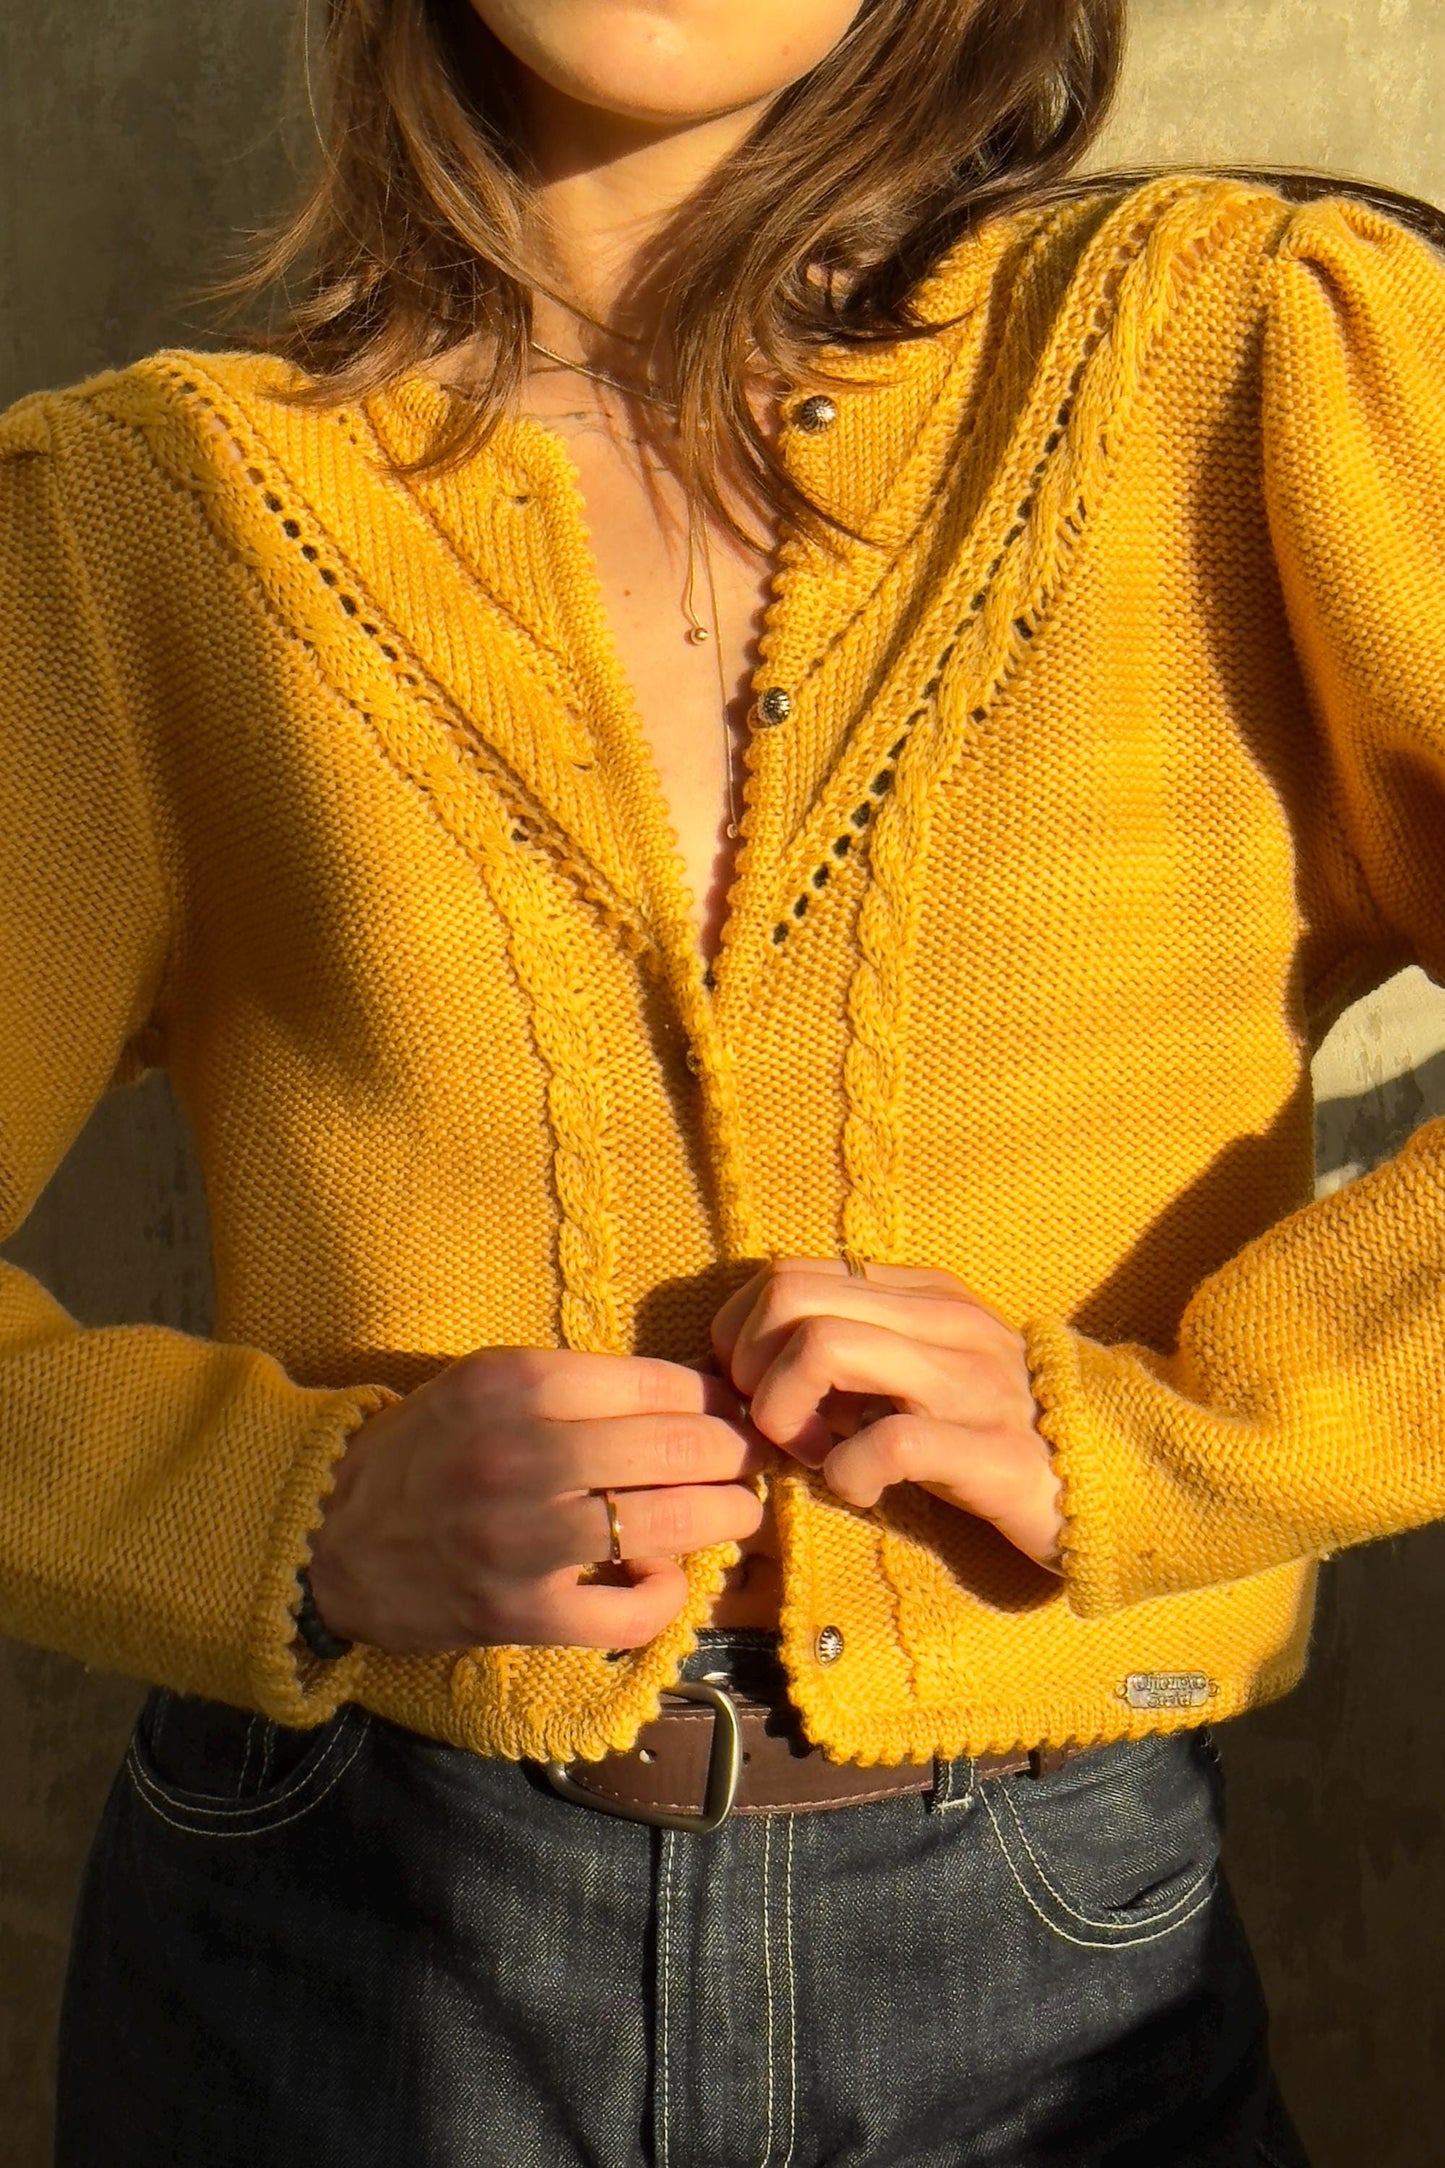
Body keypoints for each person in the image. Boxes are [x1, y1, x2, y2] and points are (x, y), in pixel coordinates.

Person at [6, 0, 1445, 2158]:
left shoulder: (1245, 369)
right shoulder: (147, 524)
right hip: (333, 1943)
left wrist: (1195, 1436)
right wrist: (293, 1518)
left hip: (1054, 1962)